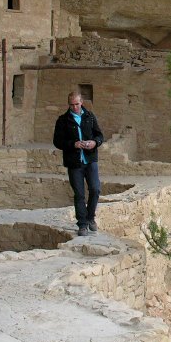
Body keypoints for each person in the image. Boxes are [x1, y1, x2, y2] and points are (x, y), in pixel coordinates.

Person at [53, 91, 103, 237]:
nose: (74, 107)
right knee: (79, 194)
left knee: (95, 189)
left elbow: (99, 135)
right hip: (74, 162)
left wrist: (94, 143)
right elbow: (57, 141)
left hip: (90, 159)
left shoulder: (89, 117)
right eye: (72, 105)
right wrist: (73, 144)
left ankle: (90, 217)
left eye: (77, 104)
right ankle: (82, 224)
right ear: (68, 104)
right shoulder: (63, 120)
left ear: (81, 102)